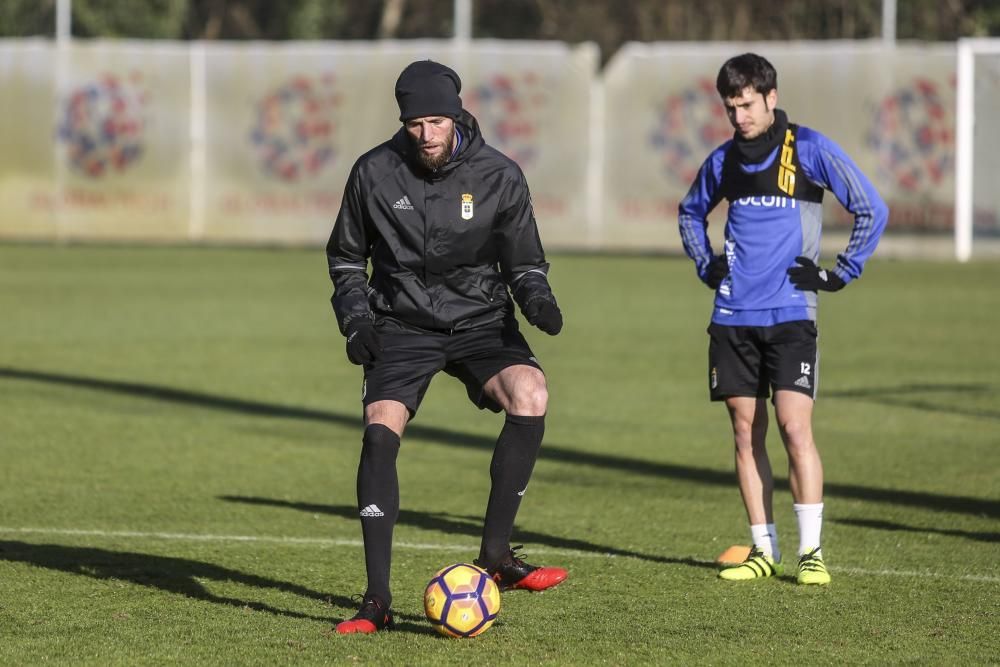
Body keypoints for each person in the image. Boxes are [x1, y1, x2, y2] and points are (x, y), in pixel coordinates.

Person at [326, 60, 568, 634]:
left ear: (456, 115)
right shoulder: (373, 173)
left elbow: (525, 261)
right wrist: (356, 321)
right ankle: (377, 601)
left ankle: (495, 559)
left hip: (481, 319)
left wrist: (537, 300)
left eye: (437, 121)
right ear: (402, 121)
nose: (427, 135)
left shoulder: (499, 174)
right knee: (380, 428)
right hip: (401, 324)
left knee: (530, 393)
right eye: (415, 124)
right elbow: (345, 257)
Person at [678, 53, 888, 585]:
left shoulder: (810, 149)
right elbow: (689, 211)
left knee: (796, 430)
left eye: (747, 104)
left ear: (771, 97)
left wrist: (840, 272)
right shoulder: (724, 160)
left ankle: (811, 552)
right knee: (746, 433)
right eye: (731, 107)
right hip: (732, 317)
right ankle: (762, 550)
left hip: (792, 314)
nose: (739, 116)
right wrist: (707, 264)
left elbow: (871, 207)